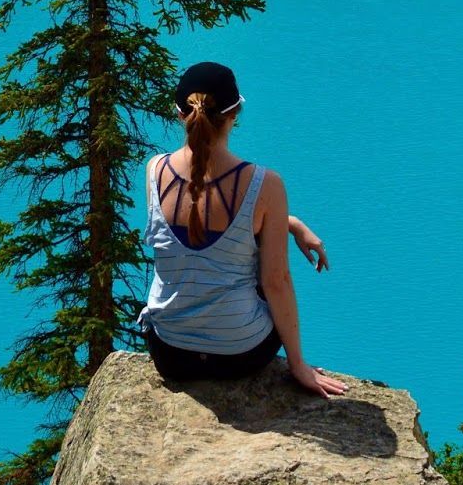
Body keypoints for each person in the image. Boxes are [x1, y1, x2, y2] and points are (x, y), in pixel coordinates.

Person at [139, 61, 345, 396]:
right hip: (239, 355)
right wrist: (298, 365)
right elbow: (276, 282)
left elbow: (198, 217)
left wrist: (286, 223)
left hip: (170, 353)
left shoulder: (154, 170)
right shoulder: (265, 184)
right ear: (234, 115)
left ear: (180, 114)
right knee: (266, 277)